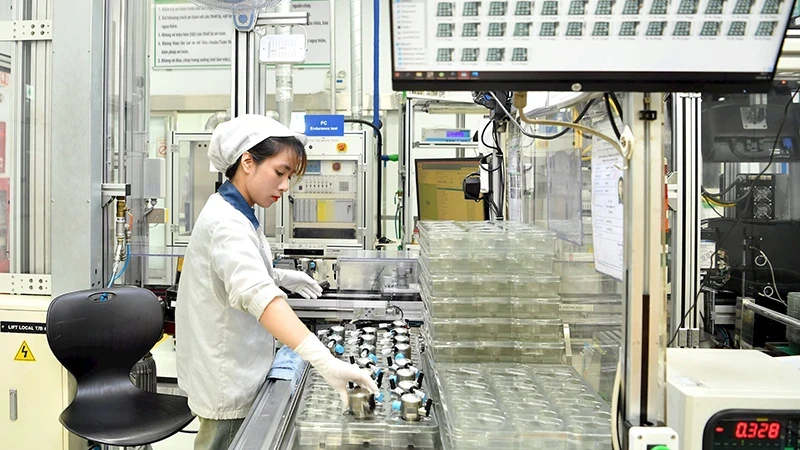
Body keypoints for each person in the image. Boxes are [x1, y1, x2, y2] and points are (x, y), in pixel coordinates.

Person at [176, 114, 377, 450]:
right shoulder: (227, 222)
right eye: (280, 173)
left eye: (290, 177)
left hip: (238, 367)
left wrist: (281, 276)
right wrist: (324, 360)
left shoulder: (236, 210)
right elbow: (257, 295)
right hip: (228, 380)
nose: (285, 186)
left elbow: (239, 272)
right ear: (248, 162)